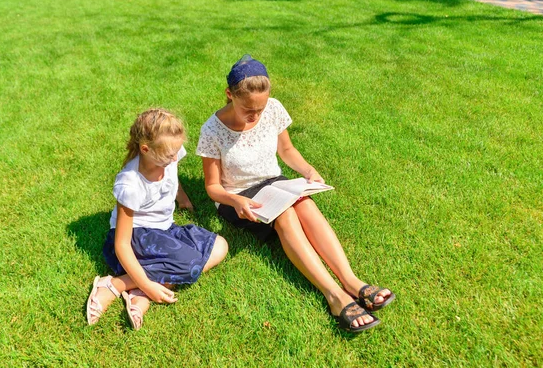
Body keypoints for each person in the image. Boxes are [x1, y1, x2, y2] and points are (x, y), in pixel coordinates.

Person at [196, 55, 395, 333]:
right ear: (229, 95)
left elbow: (287, 151)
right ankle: (335, 296)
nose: (255, 115)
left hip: (273, 181)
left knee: (306, 204)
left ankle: (351, 281)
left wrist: (309, 171)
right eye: (247, 109)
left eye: (260, 108)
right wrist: (235, 200)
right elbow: (212, 188)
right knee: (286, 215)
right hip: (237, 196)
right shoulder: (212, 130)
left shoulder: (273, 109)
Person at [86, 108, 228, 330]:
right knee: (189, 264)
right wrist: (150, 286)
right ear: (145, 149)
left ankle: (136, 289)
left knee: (220, 246)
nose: (174, 158)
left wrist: (183, 199)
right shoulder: (130, 183)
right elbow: (122, 244)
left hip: (164, 229)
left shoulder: (169, 154)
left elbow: (173, 176)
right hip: (138, 235)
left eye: (176, 153)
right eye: (169, 156)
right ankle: (113, 285)